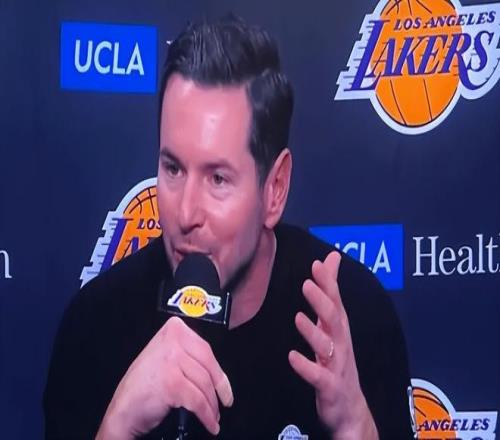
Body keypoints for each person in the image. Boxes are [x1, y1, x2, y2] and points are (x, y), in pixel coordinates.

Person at [44, 15, 413, 439]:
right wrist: (118, 424)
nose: (186, 213)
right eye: (173, 169)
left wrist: (353, 425)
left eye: (218, 179)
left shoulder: (352, 322)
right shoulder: (94, 328)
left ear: (275, 189)